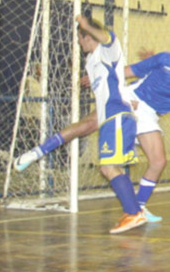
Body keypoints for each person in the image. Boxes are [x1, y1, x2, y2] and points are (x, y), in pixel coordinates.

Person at [15, 32, 170, 226]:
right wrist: (101, 75)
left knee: (158, 162)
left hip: (148, 113)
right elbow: (130, 70)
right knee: (87, 125)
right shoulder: (166, 58)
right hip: (131, 98)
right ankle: (35, 153)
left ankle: (138, 209)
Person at [16, 15, 147, 233]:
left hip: (116, 117)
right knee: (111, 168)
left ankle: (134, 213)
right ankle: (133, 211)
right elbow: (114, 82)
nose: (78, 42)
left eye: (80, 37)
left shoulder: (108, 50)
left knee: (108, 168)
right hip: (111, 117)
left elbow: (108, 38)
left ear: (89, 36)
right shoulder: (91, 61)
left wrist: (86, 25)